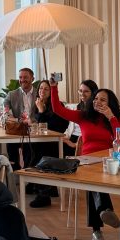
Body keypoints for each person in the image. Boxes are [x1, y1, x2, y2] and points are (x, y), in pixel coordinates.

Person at [48, 79, 120, 240]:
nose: (98, 102)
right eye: (96, 99)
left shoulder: (117, 119)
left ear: (111, 104)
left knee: (96, 180)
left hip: (110, 162)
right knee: (93, 181)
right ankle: (102, 216)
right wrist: (54, 88)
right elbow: (58, 109)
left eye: (103, 100)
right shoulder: (84, 116)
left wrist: (111, 118)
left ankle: (99, 227)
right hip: (87, 162)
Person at [28, 79, 70, 208]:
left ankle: (43, 194)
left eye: (46, 89)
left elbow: (51, 127)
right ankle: (45, 187)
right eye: (41, 88)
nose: (42, 91)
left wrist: (41, 111)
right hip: (43, 141)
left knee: (40, 153)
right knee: (30, 147)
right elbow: (36, 123)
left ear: (52, 91)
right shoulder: (38, 104)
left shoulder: (57, 105)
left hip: (55, 143)